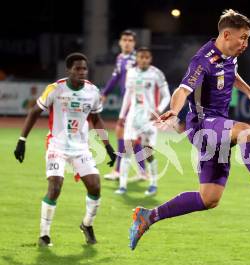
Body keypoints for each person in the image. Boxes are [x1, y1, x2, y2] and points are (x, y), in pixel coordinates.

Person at [128, 9, 250, 250]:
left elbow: (232, 73)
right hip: (202, 126)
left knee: (209, 198)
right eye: (243, 38)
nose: (246, 43)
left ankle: (149, 217)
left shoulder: (230, 53)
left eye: (248, 38)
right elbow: (183, 89)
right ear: (227, 34)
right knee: (245, 132)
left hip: (217, 127)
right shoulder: (202, 61)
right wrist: (175, 110)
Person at [13, 53, 116, 247]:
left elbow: (96, 119)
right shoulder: (55, 89)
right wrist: (21, 140)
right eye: (77, 68)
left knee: (95, 187)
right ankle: (44, 235)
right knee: (55, 186)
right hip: (57, 146)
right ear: (68, 70)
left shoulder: (93, 91)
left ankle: (87, 224)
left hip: (81, 148)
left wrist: (108, 146)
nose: (82, 72)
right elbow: (35, 111)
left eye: (84, 68)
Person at [115, 47, 171, 196]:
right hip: (133, 117)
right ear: (137, 58)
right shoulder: (131, 73)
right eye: (141, 57)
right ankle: (122, 186)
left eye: (147, 57)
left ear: (150, 59)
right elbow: (128, 94)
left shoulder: (156, 74)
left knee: (148, 153)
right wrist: (122, 114)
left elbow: (167, 96)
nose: (144, 60)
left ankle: (153, 184)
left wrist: (158, 110)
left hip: (148, 118)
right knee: (127, 150)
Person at [101, 30, 147, 182]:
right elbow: (115, 77)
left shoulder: (137, 58)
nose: (127, 42)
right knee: (132, 138)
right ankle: (142, 172)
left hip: (136, 101)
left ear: (134, 43)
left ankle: (118, 171)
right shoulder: (120, 58)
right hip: (128, 101)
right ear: (120, 42)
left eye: (130, 40)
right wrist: (105, 93)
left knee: (121, 132)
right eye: (124, 39)